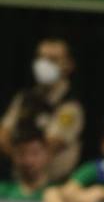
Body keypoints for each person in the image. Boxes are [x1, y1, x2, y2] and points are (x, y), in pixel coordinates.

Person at [0, 38, 84, 181]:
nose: (44, 64)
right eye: (41, 57)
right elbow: (2, 136)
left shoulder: (70, 106)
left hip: (53, 186)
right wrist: (19, 157)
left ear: (68, 65)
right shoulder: (24, 98)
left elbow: (48, 147)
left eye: (53, 59)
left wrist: (22, 154)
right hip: (19, 183)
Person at [0, 124, 52, 201]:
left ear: (46, 154)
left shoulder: (58, 193)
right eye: (21, 153)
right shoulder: (3, 191)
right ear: (13, 155)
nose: (28, 160)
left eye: (35, 153)